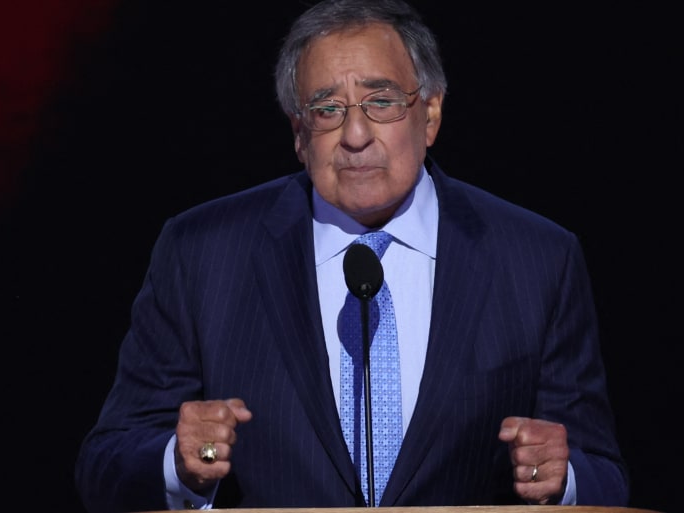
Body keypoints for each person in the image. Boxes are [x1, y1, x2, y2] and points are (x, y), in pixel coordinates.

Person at [74, 0, 629, 511]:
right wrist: (181, 463)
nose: (356, 134)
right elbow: (105, 466)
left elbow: (603, 473)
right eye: (327, 109)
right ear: (299, 133)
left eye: (381, 101)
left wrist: (563, 479)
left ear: (430, 114)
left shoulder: (537, 258)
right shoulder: (201, 253)